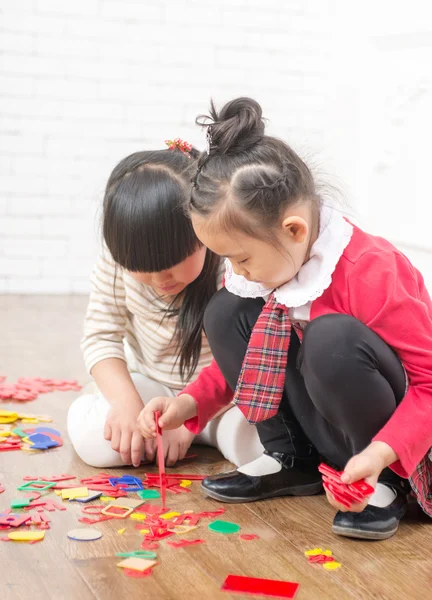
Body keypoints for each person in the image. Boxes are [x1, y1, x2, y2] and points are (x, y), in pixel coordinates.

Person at [138, 99, 432, 540]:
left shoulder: (370, 271)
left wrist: (380, 456)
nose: (235, 271)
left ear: (294, 230)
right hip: (326, 431)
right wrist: (186, 404)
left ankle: (386, 486)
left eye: (240, 258)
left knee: (331, 338)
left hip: (390, 445)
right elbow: (261, 353)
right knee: (226, 309)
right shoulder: (274, 263)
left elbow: (428, 383)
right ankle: (290, 458)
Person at [67, 140, 264, 469]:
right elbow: (101, 337)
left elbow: (249, 356)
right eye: (141, 266)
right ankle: (96, 401)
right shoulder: (116, 263)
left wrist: (191, 416)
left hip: (222, 398)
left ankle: (207, 435)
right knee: (96, 441)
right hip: (151, 391)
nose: (161, 279)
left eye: (173, 261)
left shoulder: (234, 267)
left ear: (203, 231)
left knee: (261, 447)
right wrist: (127, 406)